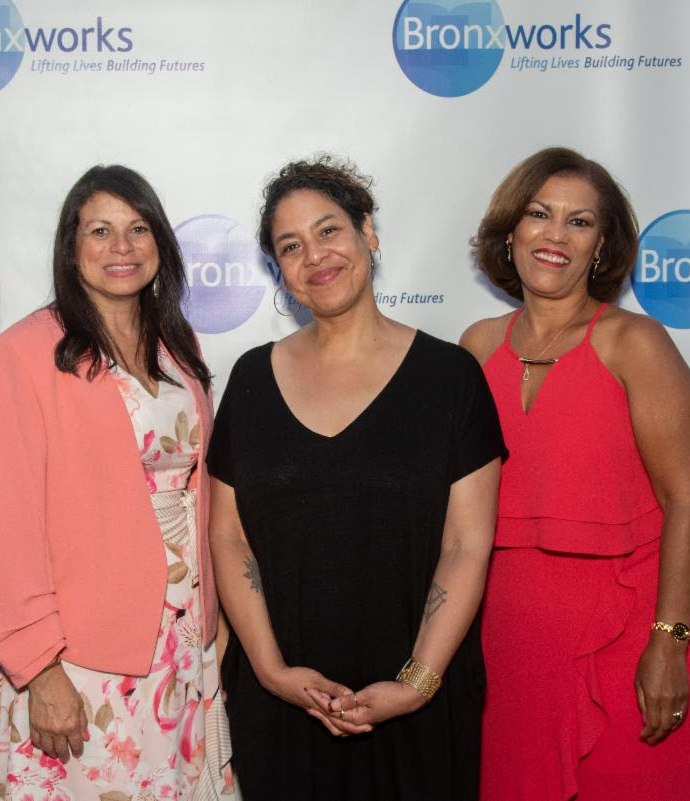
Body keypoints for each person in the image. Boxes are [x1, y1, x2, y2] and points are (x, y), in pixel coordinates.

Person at [208, 156, 505, 801]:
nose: (315, 255)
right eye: (291, 246)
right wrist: (272, 671)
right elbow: (229, 538)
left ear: (367, 231)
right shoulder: (250, 380)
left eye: (329, 230)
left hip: (419, 707)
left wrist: (416, 684)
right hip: (282, 708)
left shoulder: (451, 378)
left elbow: (467, 544)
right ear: (278, 270)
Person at [461, 147, 690, 800]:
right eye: (539, 213)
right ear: (510, 230)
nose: (555, 235)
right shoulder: (476, 346)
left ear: (602, 247)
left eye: (580, 221)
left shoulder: (635, 342)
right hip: (511, 644)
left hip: (629, 634)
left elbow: (686, 498)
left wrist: (669, 642)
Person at [0, 165, 233, 800]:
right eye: (100, 230)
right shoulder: (25, 351)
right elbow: (11, 520)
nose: (122, 246)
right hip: (82, 651)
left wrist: (212, 616)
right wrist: (39, 666)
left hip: (183, 633)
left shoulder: (177, 342)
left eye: (138, 228)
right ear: (72, 247)